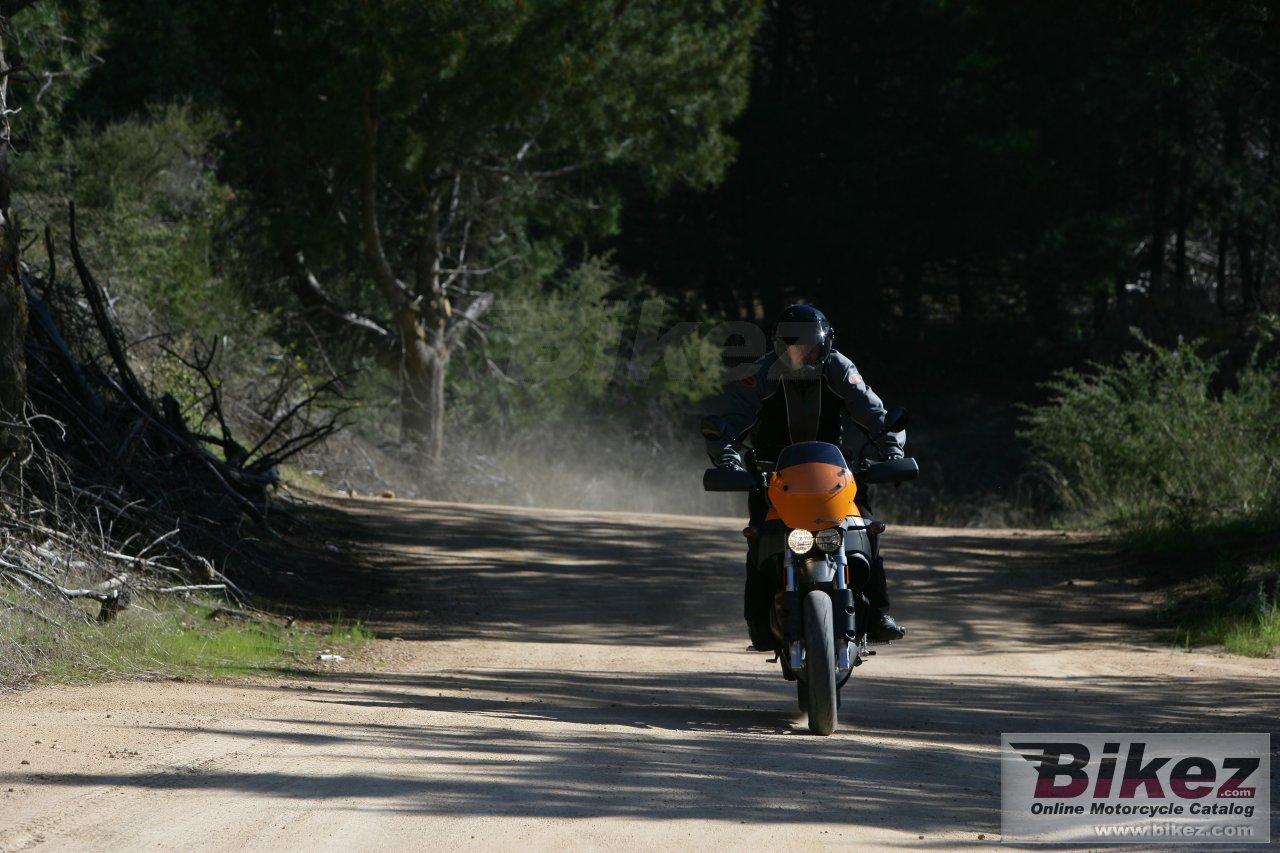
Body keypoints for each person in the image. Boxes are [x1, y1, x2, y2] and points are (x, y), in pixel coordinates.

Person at [705, 303, 907, 650]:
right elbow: (732, 421)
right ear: (779, 346)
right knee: (760, 539)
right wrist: (727, 459)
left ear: (825, 343)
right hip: (773, 476)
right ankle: (759, 620)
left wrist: (892, 451)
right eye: (793, 346)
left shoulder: (839, 368)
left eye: (810, 345)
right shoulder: (762, 372)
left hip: (831, 474)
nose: (802, 352)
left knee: (866, 527)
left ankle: (878, 614)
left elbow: (875, 413)